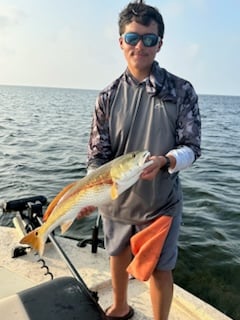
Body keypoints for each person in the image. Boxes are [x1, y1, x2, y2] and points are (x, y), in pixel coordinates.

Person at [80, 1, 201, 319]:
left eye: (149, 39)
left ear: (160, 43)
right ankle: (120, 306)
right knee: (116, 255)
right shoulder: (106, 97)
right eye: (132, 37)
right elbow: (97, 155)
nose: (140, 46)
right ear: (120, 41)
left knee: (161, 269)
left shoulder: (181, 91)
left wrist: (166, 161)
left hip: (161, 202)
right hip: (115, 200)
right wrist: (91, 192)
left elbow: (192, 148)